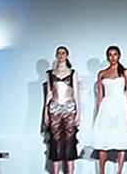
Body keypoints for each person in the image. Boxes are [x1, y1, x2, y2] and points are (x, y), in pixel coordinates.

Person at [87, 46, 127, 174]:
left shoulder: (125, 72)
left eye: (115, 54)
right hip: (107, 106)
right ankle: (102, 171)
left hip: (121, 105)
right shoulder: (102, 73)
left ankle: (120, 171)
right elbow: (100, 96)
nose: (112, 57)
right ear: (107, 57)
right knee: (103, 139)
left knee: (121, 138)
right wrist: (98, 114)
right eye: (110, 55)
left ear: (119, 56)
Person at [43, 46, 80, 174]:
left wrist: (78, 114)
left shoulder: (72, 73)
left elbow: (76, 94)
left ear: (67, 55)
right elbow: (49, 94)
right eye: (58, 53)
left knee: (70, 142)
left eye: (63, 53)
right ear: (56, 55)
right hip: (54, 108)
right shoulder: (50, 74)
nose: (61, 55)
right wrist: (45, 114)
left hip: (69, 108)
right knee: (55, 142)